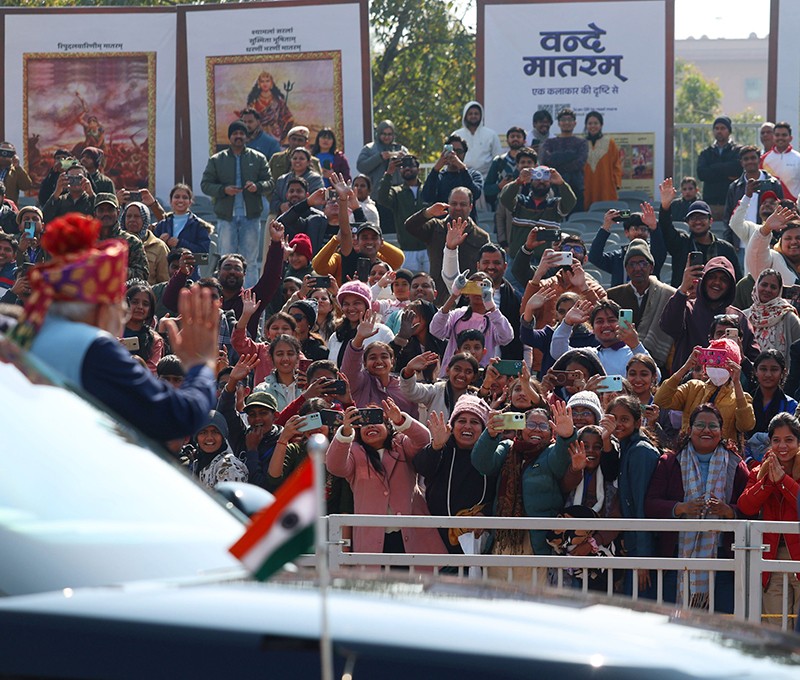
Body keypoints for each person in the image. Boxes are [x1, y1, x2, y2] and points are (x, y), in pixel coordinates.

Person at [12, 212, 217, 441]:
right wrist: (201, 366)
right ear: (101, 308)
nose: (124, 314)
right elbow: (177, 416)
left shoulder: (23, 327)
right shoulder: (94, 347)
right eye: (121, 304)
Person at [645, 403, 750, 611]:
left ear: (721, 431)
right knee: (674, 622)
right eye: (700, 425)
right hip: (676, 558)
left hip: (722, 560)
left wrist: (729, 511)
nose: (706, 430)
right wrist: (681, 508)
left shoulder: (735, 464)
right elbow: (650, 504)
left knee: (720, 624)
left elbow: (751, 509)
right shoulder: (670, 461)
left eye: (713, 426)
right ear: (689, 429)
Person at [326, 399, 447, 556]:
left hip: (411, 537)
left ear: (388, 426)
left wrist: (400, 420)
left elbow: (423, 439)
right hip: (372, 541)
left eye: (376, 420)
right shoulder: (354, 452)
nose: (370, 426)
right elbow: (334, 466)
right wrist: (345, 433)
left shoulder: (401, 444)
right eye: (364, 424)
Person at [472, 401, 576, 571]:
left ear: (551, 430)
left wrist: (566, 437)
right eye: (531, 424)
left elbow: (560, 463)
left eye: (543, 426)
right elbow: (482, 464)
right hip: (503, 539)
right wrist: (489, 435)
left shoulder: (551, 451)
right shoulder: (508, 448)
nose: (537, 430)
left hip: (536, 543)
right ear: (520, 428)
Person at [414, 395, 497, 555]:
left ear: (483, 428)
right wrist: (436, 446)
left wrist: (485, 514)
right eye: (461, 421)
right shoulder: (441, 447)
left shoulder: (491, 453)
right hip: (436, 539)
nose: (467, 426)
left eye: (475, 422)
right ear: (452, 425)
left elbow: (498, 494)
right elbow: (422, 468)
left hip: (477, 539)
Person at [738, 412, 800, 624]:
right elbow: (745, 506)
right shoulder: (761, 469)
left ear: (798, 442)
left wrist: (783, 481)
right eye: (776, 440)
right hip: (772, 557)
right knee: (776, 626)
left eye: (789, 440)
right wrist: (768, 482)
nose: (782, 446)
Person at [200, 121, 274, 288]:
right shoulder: (217, 160)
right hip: (227, 217)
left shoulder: (258, 158)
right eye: (235, 134)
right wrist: (223, 190)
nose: (238, 136)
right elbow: (205, 185)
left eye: (242, 133)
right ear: (230, 137)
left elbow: (269, 182)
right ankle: (225, 294)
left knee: (250, 260)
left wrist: (257, 187)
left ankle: (250, 294)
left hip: (251, 216)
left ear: (246, 137)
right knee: (226, 259)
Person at [659, 255, 759, 374]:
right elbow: (667, 326)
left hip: (729, 384)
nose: (717, 282)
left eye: (724, 279)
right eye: (712, 277)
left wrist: (740, 357)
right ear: (703, 280)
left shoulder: (739, 318)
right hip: (687, 384)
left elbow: (755, 366)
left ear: (730, 286)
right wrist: (683, 288)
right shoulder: (686, 309)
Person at [605, 395, 661, 597]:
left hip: (643, 549)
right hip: (633, 545)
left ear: (637, 423)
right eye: (614, 418)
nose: (619, 424)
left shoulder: (640, 452)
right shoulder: (626, 447)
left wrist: (643, 559)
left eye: (625, 419)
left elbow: (641, 507)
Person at [655, 341, 756, 445]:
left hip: (722, 452)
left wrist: (737, 383)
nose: (717, 367)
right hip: (689, 449)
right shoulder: (693, 387)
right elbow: (661, 400)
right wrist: (685, 367)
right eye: (713, 362)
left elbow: (746, 425)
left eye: (721, 363)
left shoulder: (742, 398)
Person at [405, 188, 491, 304]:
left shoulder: (481, 237)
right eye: (454, 204)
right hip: (438, 298)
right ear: (448, 205)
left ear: (470, 207)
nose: (458, 208)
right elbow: (410, 226)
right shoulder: (435, 228)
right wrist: (428, 212)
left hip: (466, 300)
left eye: (463, 204)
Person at [656, 179, 741, 287]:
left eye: (702, 217)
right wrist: (665, 206)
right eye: (693, 218)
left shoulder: (726, 249)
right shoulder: (681, 244)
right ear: (687, 222)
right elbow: (665, 228)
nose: (697, 221)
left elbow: (737, 281)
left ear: (711, 221)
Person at [606, 239, 675, 371]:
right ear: (626, 269)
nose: (637, 268)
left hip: (658, 364)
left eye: (643, 263)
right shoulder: (613, 295)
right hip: (621, 361)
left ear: (651, 267)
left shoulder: (668, 295)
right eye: (632, 264)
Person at [430, 271, 513, 375]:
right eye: (473, 287)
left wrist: (491, 306)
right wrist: (454, 295)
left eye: (483, 286)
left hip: (481, 376)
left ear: (492, 292)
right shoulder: (457, 315)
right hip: (452, 374)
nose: (478, 292)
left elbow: (507, 337)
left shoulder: (494, 319)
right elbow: (435, 330)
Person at [551, 299, 654, 377]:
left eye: (611, 320)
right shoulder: (591, 355)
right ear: (592, 329)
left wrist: (635, 345)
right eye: (599, 321)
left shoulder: (634, 354)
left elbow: (655, 377)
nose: (606, 325)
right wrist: (567, 323)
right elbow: (559, 353)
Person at [499, 163, 576, 258]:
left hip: (545, 260)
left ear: (550, 182)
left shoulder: (555, 206)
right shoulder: (520, 202)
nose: (541, 181)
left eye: (545, 179)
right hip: (518, 258)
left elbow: (570, 202)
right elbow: (505, 198)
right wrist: (518, 181)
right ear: (531, 180)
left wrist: (561, 183)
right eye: (538, 178)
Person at [722, 145, 783, 255]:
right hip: (740, 246)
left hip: (766, 244)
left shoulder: (773, 184)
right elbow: (728, 217)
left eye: (753, 158)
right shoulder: (735, 187)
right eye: (746, 159)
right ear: (741, 162)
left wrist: (776, 241)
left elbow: (780, 213)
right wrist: (730, 243)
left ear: (759, 160)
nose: (750, 161)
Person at [588, 205, 667, 286]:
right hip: (622, 294)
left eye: (643, 229)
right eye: (635, 229)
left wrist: (653, 227)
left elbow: (660, 251)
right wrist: (606, 226)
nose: (640, 232)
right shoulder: (618, 257)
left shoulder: (653, 255)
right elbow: (594, 257)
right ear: (626, 232)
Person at [376, 154, 428, 271]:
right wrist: (389, 173)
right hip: (407, 250)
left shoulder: (427, 190)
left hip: (428, 249)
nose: (407, 168)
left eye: (411, 165)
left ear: (418, 169)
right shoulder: (397, 192)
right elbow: (382, 198)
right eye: (403, 166)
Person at [326, 280, 393, 365]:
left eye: (356, 303)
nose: (351, 308)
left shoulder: (382, 332)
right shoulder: (336, 336)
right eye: (346, 304)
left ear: (367, 306)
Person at [400, 351, 479, 422]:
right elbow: (411, 392)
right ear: (447, 370)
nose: (462, 375)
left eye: (468, 372)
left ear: (474, 377)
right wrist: (409, 370)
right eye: (457, 369)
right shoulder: (437, 390)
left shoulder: (475, 399)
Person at [743, 269, 800, 368]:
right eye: (764, 285)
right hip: (747, 376)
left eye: (773, 287)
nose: (768, 290)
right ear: (756, 286)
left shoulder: (789, 318)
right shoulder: (744, 317)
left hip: (783, 377)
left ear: (779, 291)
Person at [422, 135, 484, 220]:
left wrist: (462, 168)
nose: (455, 155)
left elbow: (475, 194)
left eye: (459, 151)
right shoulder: (439, 176)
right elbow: (427, 197)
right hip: (442, 225)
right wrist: (436, 168)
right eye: (451, 151)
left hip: (466, 224)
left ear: (464, 154)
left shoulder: (473, 175)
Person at [538, 108, 589, 212]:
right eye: (563, 120)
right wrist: (571, 155)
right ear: (558, 123)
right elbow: (546, 161)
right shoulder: (549, 143)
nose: (566, 122)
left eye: (569, 120)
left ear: (575, 123)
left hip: (575, 187)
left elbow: (580, 163)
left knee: (576, 218)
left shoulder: (582, 143)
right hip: (553, 188)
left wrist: (556, 161)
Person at [696, 116, 742, 221]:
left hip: (732, 202)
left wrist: (713, 167)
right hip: (711, 202)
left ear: (729, 131)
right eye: (716, 128)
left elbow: (737, 169)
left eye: (722, 128)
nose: (719, 131)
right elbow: (702, 173)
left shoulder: (738, 151)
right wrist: (726, 172)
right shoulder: (706, 153)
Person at [187, 411, 248, 489]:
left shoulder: (229, 467)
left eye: (215, 432)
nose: (209, 438)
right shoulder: (198, 463)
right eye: (203, 432)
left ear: (223, 436)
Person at [745, 206, 800, 290]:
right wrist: (766, 229)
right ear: (780, 242)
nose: (793, 242)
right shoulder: (773, 260)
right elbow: (756, 254)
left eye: (798, 238)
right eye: (788, 238)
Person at [153, 183, 213, 256]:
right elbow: (152, 251)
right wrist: (160, 242)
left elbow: (204, 252)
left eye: (185, 197)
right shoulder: (162, 225)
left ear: (190, 202)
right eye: (177, 197)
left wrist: (180, 243)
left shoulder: (199, 226)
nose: (181, 200)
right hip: (165, 263)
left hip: (190, 263)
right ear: (171, 201)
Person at [356, 120, 407, 198]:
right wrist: (379, 157)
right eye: (384, 134)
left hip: (397, 195)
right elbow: (361, 166)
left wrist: (403, 159)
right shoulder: (369, 149)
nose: (387, 137)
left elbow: (411, 167)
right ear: (379, 133)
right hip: (375, 194)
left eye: (389, 134)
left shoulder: (401, 149)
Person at [122, 202, 169, 285]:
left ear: (145, 219)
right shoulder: (116, 244)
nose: (132, 219)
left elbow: (164, 281)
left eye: (137, 216)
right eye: (129, 216)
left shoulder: (159, 247)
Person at [122, 281, 164, 374]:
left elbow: (152, 370)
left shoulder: (155, 339)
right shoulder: (113, 332)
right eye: (135, 302)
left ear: (150, 310)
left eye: (145, 304)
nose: (140, 307)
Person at [583, 111, 622, 210]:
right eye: (590, 123)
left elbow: (616, 165)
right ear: (586, 125)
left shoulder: (610, 142)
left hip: (606, 185)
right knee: (588, 212)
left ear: (601, 125)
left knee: (606, 211)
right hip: (586, 186)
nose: (593, 126)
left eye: (596, 123)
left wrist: (616, 183)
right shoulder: (581, 144)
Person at [451, 101, 501, 178]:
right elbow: (450, 157)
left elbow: (497, 158)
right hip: (460, 177)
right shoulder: (457, 135)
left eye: (476, 114)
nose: (473, 116)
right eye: (470, 114)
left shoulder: (491, 134)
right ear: (465, 116)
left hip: (486, 178)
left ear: (481, 116)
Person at [243, 71, 293, 143]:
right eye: (262, 81)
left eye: (267, 81)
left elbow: (289, 119)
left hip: (275, 134)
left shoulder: (278, 101)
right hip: (257, 134)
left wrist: (283, 134)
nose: (265, 84)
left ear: (271, 83)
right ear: (259, 84)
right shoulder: (254, 101)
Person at [271, 147, 324, 214]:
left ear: (308, 162)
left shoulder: (315, 179)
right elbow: (273, 201)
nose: (297, 161)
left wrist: (298, 208)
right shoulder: (282, 179)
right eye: (294, 158)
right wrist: (281, 206)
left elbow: (318, 201)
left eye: (301, 159)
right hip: (283, 214)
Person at [761, 121, 800, 202]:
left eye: (784, 135)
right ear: (773, 137)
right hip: (771, 206)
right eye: (777, 135)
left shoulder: (798, 158)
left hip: (793, 206)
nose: (780, 138)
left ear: (790, 138)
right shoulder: (763, 159)